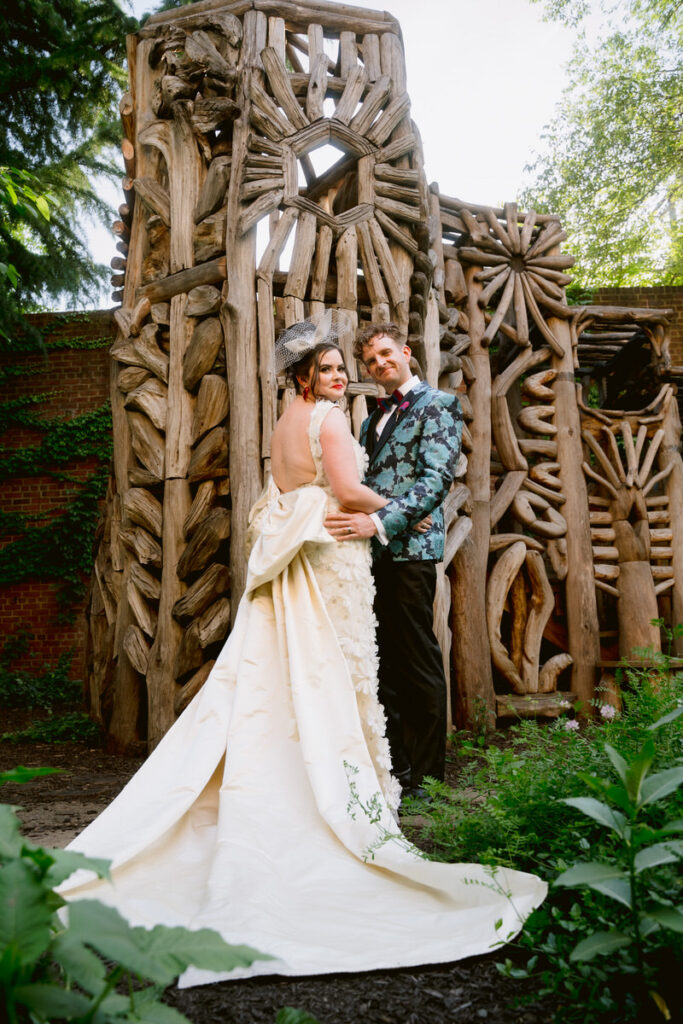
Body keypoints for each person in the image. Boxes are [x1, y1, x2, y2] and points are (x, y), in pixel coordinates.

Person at [59, 313, 545, 986]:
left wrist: (395, 516)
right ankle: (354, 773)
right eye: (337, 366)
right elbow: (344, 490)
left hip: (372, 545)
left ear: (400, 355)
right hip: (345, 546)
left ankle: (417, 773)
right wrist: (383, 509)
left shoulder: (362, 413)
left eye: (360, 362)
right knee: (339, 668)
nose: (351, 372)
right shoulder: (340, 419)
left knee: (370, 665)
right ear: (302, 375)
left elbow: (418, 476)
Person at [325, 323, 462, 799]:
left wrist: (386, 521)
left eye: (386, 354)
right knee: (383, 663)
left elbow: (435, 480)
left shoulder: (439, 406)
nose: (380, 364)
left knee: (417, 660)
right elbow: (369, 485)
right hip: (371, 553)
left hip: (410, 552)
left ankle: (430, 781)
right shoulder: (369, 421)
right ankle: (398, 769)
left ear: (405, 352)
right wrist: (383, 514)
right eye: (371, 361)